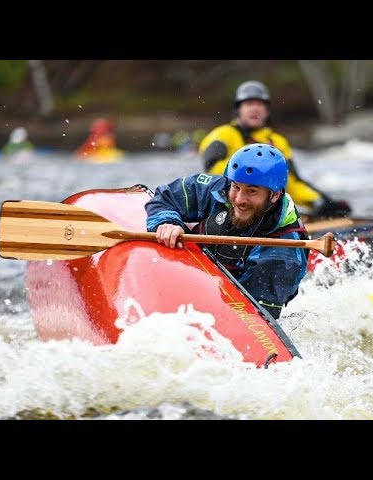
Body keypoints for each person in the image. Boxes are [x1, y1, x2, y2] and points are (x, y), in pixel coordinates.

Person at [145, 143, 309, 320]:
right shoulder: (223, 187)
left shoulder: (283, 255)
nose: (239, 199)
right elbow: (165, 196)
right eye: (236, 187)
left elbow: (252, 319)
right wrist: (168, 222)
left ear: (275, 195)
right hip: (198, 268)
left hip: (227, 301)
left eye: (251, 191)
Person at [198, 80, 351, 218]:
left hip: (263, 209)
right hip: (230, 208)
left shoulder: (277, 141)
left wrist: (321, 202)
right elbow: (213, 174)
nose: (255, 109)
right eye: (249, 104)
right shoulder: (221, 135)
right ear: (238, 109)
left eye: (260, 104)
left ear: (267, 111)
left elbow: (291, 182)